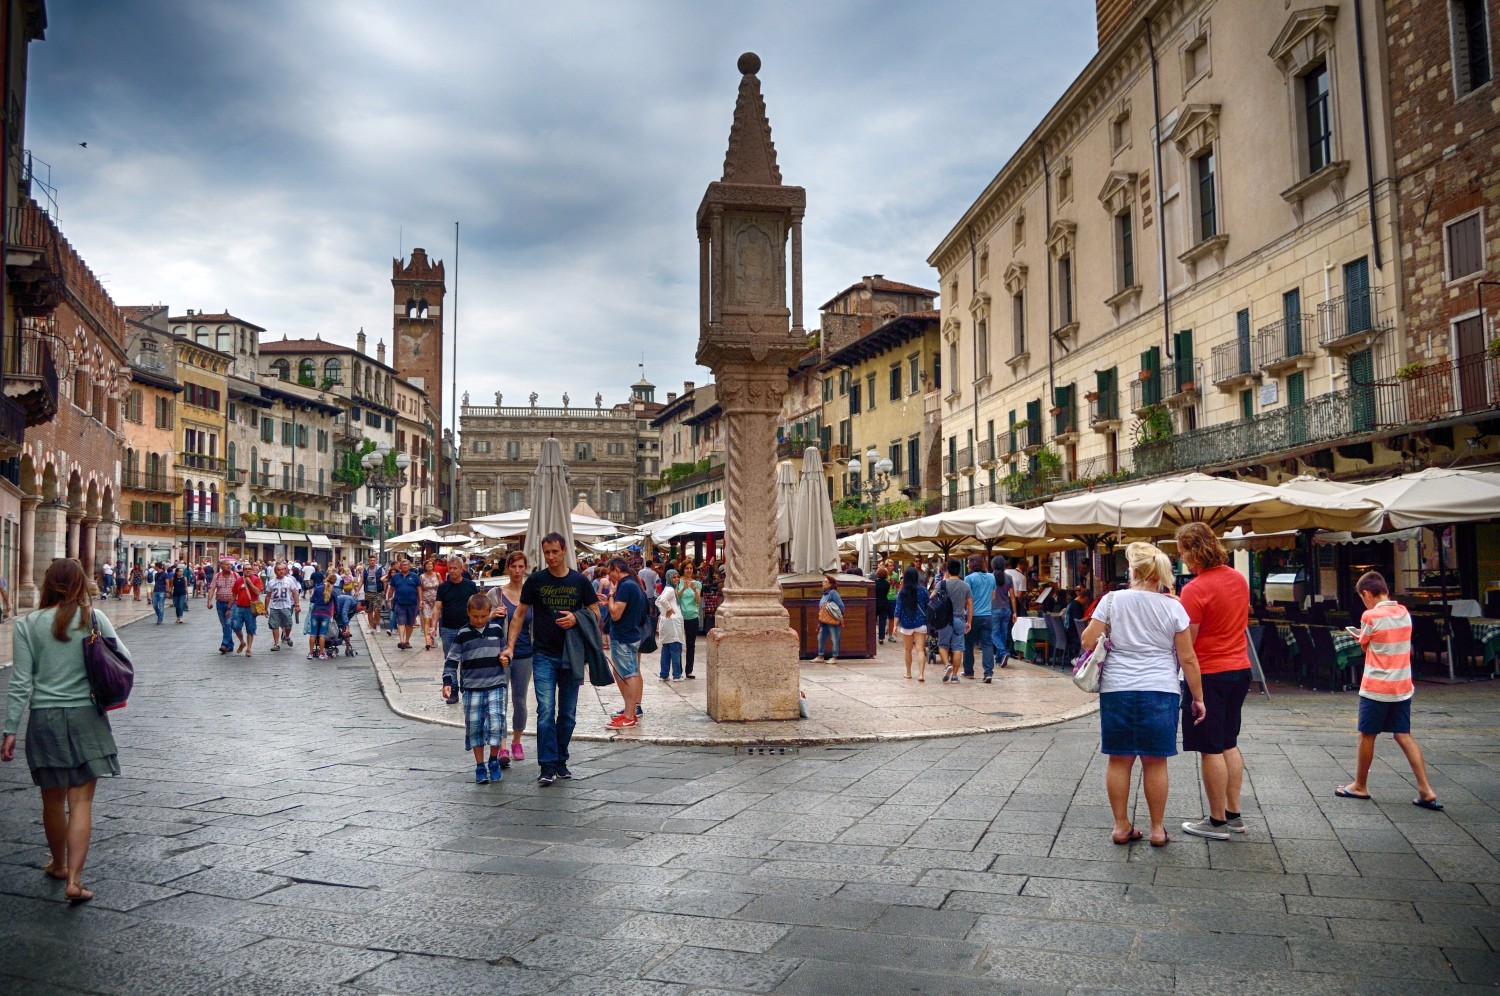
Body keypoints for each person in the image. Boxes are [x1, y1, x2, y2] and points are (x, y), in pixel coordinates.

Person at [2, 559, 131, 904]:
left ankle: (58, 864)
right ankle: (75, 880)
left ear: (46, 584)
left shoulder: (27, 624)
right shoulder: (93, 618)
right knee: (82, 803)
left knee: (52, 801)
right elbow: (124, 657)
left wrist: (10, 728)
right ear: (81, 584)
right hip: (86, 717)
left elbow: (20, 682)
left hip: (44, 719)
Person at [1079, 542, 1205, 849]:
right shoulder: (1174, 606)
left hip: (1117, 689)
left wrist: (1110, 628)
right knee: (1156, 762)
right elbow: (1187, 658)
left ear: (1133, 572)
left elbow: (1087, 641)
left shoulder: (1112, 600)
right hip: (1160, 689)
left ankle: (1121, 826)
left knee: (1119, 760)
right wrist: (1198, 697)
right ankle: (1158, 829)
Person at [1337, 571, 1442, 811]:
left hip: (1376, 686)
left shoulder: (1370, 615)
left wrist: (1361, 635)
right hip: (1402, 686)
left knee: (1367, 735)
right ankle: (1426, 789)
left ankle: (1360, 785)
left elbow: (1365, 645)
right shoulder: (1404, 613)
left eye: (1362, 597)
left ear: (1366, 593)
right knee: (1403, 734)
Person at [1174, 521, 1253, 841]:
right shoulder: (1238, 579)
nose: (1181, 559)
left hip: (1209, 674)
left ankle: (1216, 821)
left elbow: (1187, 646)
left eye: (1182, 552)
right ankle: (1233, 814)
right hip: (1240, 669)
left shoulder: (1193, 590)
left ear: (1194, 550)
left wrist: (1193, 691)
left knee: (1210, 748)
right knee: (1229, 742)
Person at [503, 532, 598, 787]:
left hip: (571, 655)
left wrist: (577, 618)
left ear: (564, 550)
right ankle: (546, 764)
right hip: (543, 654)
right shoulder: (535, 581)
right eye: (547, 552)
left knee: (567, 713)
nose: (551, 557)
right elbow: (519, 615)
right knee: (545, 710)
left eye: (555, 551)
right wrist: (510, 646)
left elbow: (596, 613)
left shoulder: (580, 581)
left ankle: (560, 759)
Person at [442, 593, 510, 785]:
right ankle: (480, 765)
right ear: (468, 613)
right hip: (472, 687)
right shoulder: (463, 633)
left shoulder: (496, 629)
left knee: (497, 724)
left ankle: (494, 760)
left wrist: (506, 659)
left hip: (496, 684)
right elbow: (452, 660)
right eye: (475, 617)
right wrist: (448, 681)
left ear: (489, 613)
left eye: (482, 616)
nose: (479, 620)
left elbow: (505, 651)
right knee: (475, 727)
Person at [490, 551, 533, 765]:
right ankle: (503, 745)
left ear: (525, 568)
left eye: (520, 567)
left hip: (526, 653)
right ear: (507, 568)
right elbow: (478, 621)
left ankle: (517, 740)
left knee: (520, 700)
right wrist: (490, 616)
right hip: (501, 653)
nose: (517, 571)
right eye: (513, 567)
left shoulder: (531, 595)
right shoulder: (496, 594)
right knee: (501, 699)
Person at [604, 557, 649, 729]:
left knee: (628, 675)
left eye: (609, 571)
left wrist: (610, 596)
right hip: (632, 634)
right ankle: (629, 712)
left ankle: (629, 715)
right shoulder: (634, 584)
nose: (609, 576)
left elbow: (615, 614)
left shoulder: (624, 586)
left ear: (616, 569)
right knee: (630, 672)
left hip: (623, 636)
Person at [436, 557, 479, 704]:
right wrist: (432, 627)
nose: (452, 571)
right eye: (450, 568)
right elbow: (437, 607)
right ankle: (453, 689)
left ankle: (465, 686)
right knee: (450, 659)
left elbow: (476, 604)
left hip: (467, 628)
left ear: (461, 569)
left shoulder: (471, 586)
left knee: (467, 659)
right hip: (448, 628)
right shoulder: (443, 588)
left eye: (455, 568)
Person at [935, 559, 973, 683]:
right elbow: (970, 605)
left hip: (944, 620)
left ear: (947, 570)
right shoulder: (965, 585)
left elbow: (932, 598)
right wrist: (969, 622)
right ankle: (955, 676)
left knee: (942, 646)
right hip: (959, 619)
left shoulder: (942, 584)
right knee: (958, 648)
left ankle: (947, 664)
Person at [963, 553, 998, 682]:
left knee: (968, 644)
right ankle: (988, 673)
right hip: (988, 615)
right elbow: (993, 596)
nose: (967, 564)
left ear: (972, 564)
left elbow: (967, 599)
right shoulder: (991, 577)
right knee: (987, 644)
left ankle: (969, 671)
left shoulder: (969, 578)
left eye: (968, 562)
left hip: (973, 616)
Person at [895, 566, 930, 681]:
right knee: (920, 649)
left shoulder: (902, 592)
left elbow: (898, 609)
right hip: (920, 622)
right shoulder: (923, 590)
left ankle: (909, 673)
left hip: (906, 623)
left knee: (908, 649)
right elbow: (928, 606)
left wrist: (895, 625)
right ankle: (921, 674)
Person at [386, 558, 422, 651]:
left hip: (412, 603)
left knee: (410, 623)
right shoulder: (396, 577)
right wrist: (389, 599)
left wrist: (421, 600)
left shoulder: (414, 576)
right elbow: (392, 589)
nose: (405, 566)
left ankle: (407, 641)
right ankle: (401, 641)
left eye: (406, 565)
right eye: (403, 565)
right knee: (401, 622)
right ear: (400, 566)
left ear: (409, 566)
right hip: (399, 603)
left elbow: (419, 589)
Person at [656, 569, 685, 681]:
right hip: (673, 623)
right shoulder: (670, 590)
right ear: (669, 578)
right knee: (675, 648)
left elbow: (659, 600)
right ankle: (677, 674)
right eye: (674, 577)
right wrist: (669, 609)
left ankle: (664, 674)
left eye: (678, 577)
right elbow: (662, 600)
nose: (677, 579)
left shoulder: (669, 588)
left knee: (666, 650)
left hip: (668, 623)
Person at [229, 565, 264, 657]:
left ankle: (249, 649)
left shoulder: (256, 579)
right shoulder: (239, 580)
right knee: (235, 626)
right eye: (246, 569)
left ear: (252, 570)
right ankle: (242, 642)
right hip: (239, 607)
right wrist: (229, 608)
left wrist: (250, 583)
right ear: (243, 570)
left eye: (249, 569)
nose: (247, 571)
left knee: (250, 629)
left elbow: (257, 592)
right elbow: (234, 594)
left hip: (250, 608)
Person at [676, 563, 703, 679]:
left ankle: (689, 670)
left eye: (691, 568)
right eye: (687, 568)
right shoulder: (678, 582)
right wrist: (684, 588)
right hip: (681, 616)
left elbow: (698, 601)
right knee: (679, 644)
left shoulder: (697, 584)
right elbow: (677, 597)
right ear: (683, 569)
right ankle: (678, 670)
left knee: (690, 644)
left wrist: (694, 590)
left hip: (693, 616)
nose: (689, 570)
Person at [265, 563, 300, 652]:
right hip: (274, 607)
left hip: (286, 606)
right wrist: (265, 608)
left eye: (283, 569)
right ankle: (276, 643)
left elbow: (295, 593)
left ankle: (286, 636)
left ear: (285, 570)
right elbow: (268, 596)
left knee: (288, 624)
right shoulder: (271, 582)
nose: (281, 571)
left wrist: (297, 605)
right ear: (275, 571)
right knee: (274, 625)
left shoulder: (289, 580)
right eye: (279, 570)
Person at [813, 573, 845, 663]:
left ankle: (834, 657)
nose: (823, 583)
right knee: (820, 637)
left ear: (831, 584)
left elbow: (841, 606)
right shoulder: (825, 594)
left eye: (825, 581)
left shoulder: (833, 593)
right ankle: (820, 655)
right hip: (824, 621)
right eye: (823, 581)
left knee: (834, 638)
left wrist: (837, 617)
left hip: (832, 621)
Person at [991, 556, 1015, 668]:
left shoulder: (990, 577)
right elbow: (1013, 597)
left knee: (994, 634)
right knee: (1003, 633)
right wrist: (1014, 612)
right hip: (1007, 609)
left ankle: (1003, 652)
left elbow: (991, 595)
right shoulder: (1009, 577)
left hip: (994, 609)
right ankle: (999, 658)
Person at [209, 561, 237, 653]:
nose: (229, 566)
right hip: (220, 603)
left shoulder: (236, 575)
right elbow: (212, 588)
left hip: (233, 604)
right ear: (221, 566)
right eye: (227, 564)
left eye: (230, 565)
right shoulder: (217, 576)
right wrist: (209, 600)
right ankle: (230, 645)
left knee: (228, 624)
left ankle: (224, 644)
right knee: (224, 624)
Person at [306, 573, 337, 660]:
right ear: (334, 582)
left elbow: (312, 600)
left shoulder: (318, 588)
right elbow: (337, 605)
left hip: (315, 612)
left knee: (313, 634)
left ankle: (311, 653)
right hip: (325, 614)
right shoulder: (333, 591)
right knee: (322, 635)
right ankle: (321, 653)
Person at [419, 557, 442, 652]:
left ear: (433, 566)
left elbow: (441, 586)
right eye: (427, 565)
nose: (429, 566)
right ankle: (427, 641)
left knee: (434, 621)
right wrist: (420, 600)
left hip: (436, 601)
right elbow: (420, 588)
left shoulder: (437, 575)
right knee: (427, 620)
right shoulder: (422, 576)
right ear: (425, 566)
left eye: (431, 564)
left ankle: (432, 639)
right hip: (426, 600)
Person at [360, 555, 386, 630]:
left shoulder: (380, 569)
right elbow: (361, 580)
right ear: (368, 561)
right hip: (368, 592)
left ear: (376, 561)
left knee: (377, 609)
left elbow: (384, 581)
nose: (372, 562)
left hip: (378, 592)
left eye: (374, 560)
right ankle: (371, 627)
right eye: (371, 560)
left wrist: (384, 590)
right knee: (369, 610)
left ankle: (377, 624)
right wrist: (357, 590)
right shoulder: (365, 570)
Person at [874, 566, 894, 645]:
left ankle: (872, 637)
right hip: (884, 602)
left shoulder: (874, 583)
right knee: (882, 621)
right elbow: (887, 592)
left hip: (875, 603)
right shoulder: (887, 584)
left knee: (873, 620)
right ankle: (881, 638)